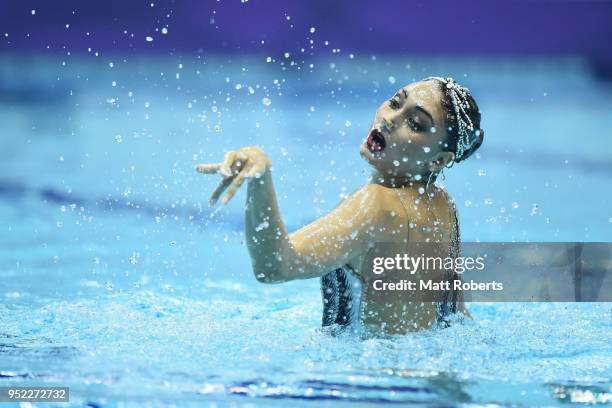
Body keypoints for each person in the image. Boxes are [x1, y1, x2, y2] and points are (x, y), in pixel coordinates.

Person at [196, 77, 484, 336]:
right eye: (395, 102)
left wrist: (260, 175)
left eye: (416, 124)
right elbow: (454, 313)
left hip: (372, 383)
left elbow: (274, 267)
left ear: (439, 160)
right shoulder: (444, 204)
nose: (389, 119)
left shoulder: (376, 205)